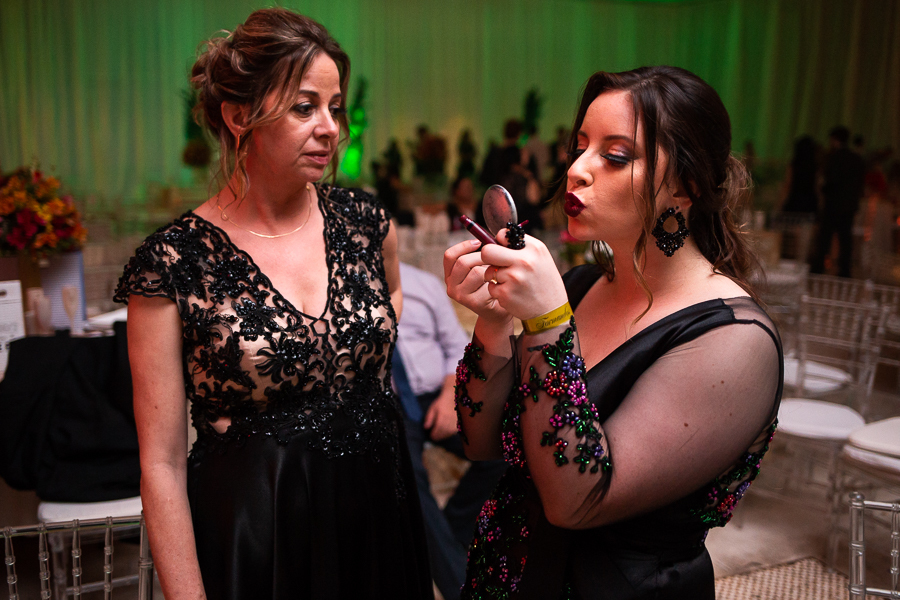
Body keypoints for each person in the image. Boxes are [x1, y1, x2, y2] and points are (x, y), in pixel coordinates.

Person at [114, 9, 432, 599]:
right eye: (304, 107)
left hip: (378, 522)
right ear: (240, 117)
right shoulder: (174, 265)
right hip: (261, 539)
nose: (330, 128)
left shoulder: (366, 224)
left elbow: (388, 306)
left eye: (335, 108)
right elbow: (161, 465)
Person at [444, 66, 783, 599]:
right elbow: (481, 443)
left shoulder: (734, 340)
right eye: (579, 147)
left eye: (616, 156)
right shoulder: (581, 286)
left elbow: (576, 503)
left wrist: (548, 323)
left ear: (686, 185)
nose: (576, 170)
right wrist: (493, 322)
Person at [394, 262, 507, 600]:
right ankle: (461, 588)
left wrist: (448, 397)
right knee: (410, 484)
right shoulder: (334, 286)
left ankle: (452, 531)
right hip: (388, 405)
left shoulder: (421, 284)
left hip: (438, 394)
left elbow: (456, 344)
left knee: (504, 449)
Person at [810, 125, 866, 277]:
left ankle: (818, 267)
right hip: (849, 206)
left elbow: (831, 182)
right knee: (845, 239)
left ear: (834, 140)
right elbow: (859, 184)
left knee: (825, 238)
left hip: (833, 205)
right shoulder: (856, 159)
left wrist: (823, 190)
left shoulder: (834, 158)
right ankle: (845, 270)